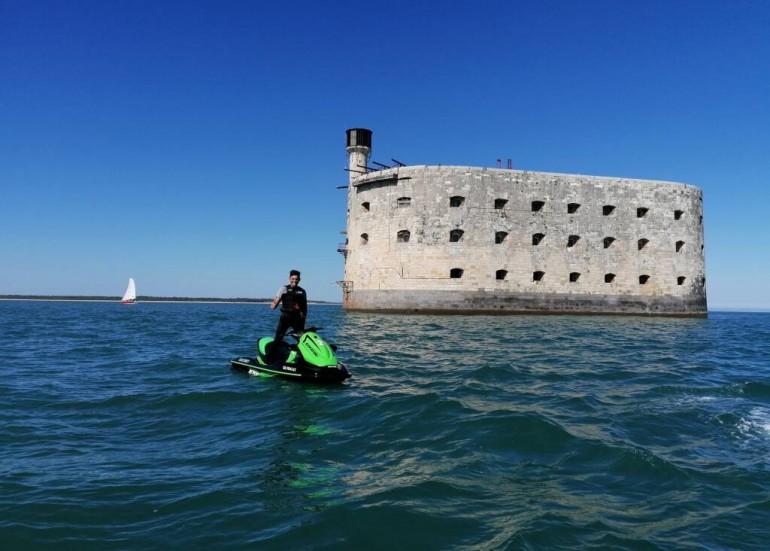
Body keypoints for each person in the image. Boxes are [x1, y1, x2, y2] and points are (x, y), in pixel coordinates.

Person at [267, 269, 307, 362]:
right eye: (293, 279)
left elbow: (304, 308)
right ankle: (268, 360)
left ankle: (302, 360)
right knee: (278, 339)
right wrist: (274, 303)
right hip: (285, 318)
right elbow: (274, 305)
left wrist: (304, 320)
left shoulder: (302, 291)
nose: (294, 281)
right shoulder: (283, 289)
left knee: (302, 340)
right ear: (289, 278)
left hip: (297, 320)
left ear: (299, 280)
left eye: (296, 279)